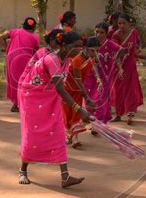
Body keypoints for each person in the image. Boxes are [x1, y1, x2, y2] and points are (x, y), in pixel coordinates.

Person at [18, 31, 92, 188]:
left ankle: (65, 176)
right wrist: (79, 109)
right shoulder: (52, 60)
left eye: (81, 47)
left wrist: (83, 98)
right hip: (32, 96)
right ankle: (23, 170)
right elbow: (60, 89)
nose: (79, 50)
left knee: (57, 131)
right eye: (76, 47)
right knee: (32, 133)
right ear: (64, 45)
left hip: (49, 96)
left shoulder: (66, 60)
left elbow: (64, 86)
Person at [62, 38, 98, 149]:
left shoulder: (90, 61)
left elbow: (90, 73)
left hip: (78, 91)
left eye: (96, 51)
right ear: (85, 49)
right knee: (67, 114)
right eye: (92, 50)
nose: (95, 53)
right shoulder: (77, 60)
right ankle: (69, 136)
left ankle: (75, 138)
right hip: (67, 91)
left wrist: (98, 79)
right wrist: (86, 96)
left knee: (76, 114)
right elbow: (78, 79)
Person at [0, 17, 39, 112]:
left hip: (11, 58)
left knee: (14, 81)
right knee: (23, 81)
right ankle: (18, 104)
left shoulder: (16, 31)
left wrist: (6, 49)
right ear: (34, 27)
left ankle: (16, 104)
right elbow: (35, 51)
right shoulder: (35, 37)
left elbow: (1, 37)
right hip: (25, 60)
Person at [111, 13, 144, 125]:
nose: (121, 25)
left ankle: (130, 113)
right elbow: (114, 52)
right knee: (118, 89)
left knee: (131, 88)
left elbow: (136, 48)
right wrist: (119, 66)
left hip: (131, 65)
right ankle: (118, 114)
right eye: (119, 23)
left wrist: (142, 55)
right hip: (119, 66)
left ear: (129, 24)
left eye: (123, 23)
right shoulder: (116, 35)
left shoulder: (134, 33)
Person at [90, 22, 123, 125]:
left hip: (105, 76)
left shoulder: (109, 43)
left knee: (101, 99)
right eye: (97, 32)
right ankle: (99, 119)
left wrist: (115, 61)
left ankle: (98, 123)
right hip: (92, 76)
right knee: (92, 98)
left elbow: (121, 50)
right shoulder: (91, 42)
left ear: (106, 33)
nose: (99, 35)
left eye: (102, 33)